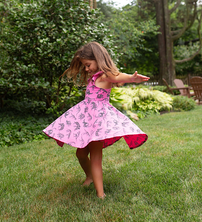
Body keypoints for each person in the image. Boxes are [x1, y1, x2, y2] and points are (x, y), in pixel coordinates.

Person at [42, 42, 149, 199]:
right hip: (86, 120)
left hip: (98, 124)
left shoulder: (105, 76)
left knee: (96, 158)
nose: (86, 69)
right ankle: (90, 177)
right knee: (80, 154)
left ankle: (100, 194)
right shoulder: (95, 77)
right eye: (84, 66)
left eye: (88, 64)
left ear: (98, 59)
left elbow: (117, 76)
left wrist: (132, 78)